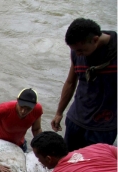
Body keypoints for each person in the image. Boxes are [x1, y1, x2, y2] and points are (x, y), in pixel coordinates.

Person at [50, 18, 117, 151]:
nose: (78, 54)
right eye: (75, 51)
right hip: (76, 120)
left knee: (93, 167)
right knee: (68, 161)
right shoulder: (77, 51)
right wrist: (59, 112)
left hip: (103, 126)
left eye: (81, 50)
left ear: (95, 40)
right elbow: (70, 82)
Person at [0, 88, 43, 152]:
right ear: (17, 101)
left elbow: (36, 129)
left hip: (19, 144)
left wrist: (41, 146)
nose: (23, 111)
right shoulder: (5, 109)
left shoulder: (37, 110)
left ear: (34, 106)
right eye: (21, 106)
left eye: (28, 109)